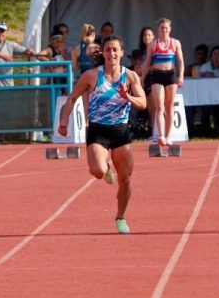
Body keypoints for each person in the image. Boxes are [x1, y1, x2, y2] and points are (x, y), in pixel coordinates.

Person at [58, 35, 148, 234]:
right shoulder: (91, 75)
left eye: (115, 50)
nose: (112, 53)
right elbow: (72, 98)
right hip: (98, 130)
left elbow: (144, 103)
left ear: (122, 53)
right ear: (104, 52)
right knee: (97, 171)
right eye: (108, 50)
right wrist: (64, 121)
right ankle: (105, 167)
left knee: (125, 180)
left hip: (121, 131)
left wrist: (128, 97)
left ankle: (120, 217)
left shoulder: (130, 76)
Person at [140, 18, 184, 147]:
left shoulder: (175, 43)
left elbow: (180, 61)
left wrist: (180, 76)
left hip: (171, 76)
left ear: (170, 29)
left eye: (166, 28)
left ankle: (169, 135)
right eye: (161, 28)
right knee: (159, 106)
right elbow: (147, 63)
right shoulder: (153, 44)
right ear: (158, 30)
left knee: (169, 106)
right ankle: (161, 136)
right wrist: (142, 78)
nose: (164, 30)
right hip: (157, 76)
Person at [0, 21, 35, 88]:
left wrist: (29, 51)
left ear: (6, 33)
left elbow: (26, 50)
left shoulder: (11, 44)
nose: (0, 33)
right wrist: (2, 55)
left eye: (2, 31)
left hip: (8, 85)